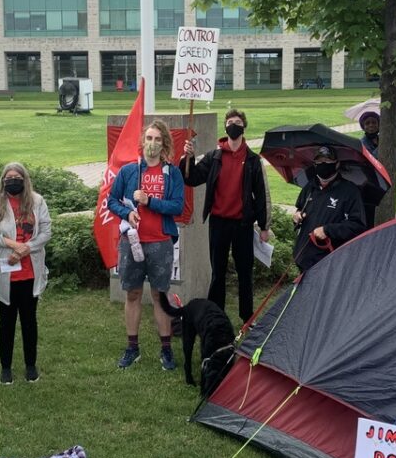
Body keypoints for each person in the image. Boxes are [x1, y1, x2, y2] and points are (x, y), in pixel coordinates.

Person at [107, 119, 184, 370]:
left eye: (157, 139)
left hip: (160, 243)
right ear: (143, 142)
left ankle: (166, 350)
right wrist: (127, 214)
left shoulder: (172, 173)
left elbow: (177, 206)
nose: (152, 143)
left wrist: (150, 201)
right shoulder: (129, 172)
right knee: (133, 293)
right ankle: (132, 348)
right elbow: (112, 201)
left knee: (159, 295)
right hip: (132, 242)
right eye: (149, 138)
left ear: (164, 145)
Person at [181, 108, 270, 323]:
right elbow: (191, 179)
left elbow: (261, 193)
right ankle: (215, 315)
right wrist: (188, 158)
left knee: (244, 272)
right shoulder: (214, 157)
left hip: (243, 224)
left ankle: (247, 316)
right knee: (217, 272)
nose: (233, 124)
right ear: (225, 127)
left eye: (237, 121)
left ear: (243, 126)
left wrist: (264, 225)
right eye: (230, 121)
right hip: (219, 223)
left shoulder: (252, 160)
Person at [0, 163, 52, 385]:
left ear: (24, 179)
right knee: (7, 321)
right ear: (3, 180)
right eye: (8, 177)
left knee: (29, 321)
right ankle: (6, 368)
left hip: (30, 272)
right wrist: (13, 245)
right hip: (5, 271)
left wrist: (25, 250)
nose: (12, 180)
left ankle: (31, 365)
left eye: (17, 177)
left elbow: (45, 232)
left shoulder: (37, 201)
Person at [292, 146, 368, 271]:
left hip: (330, 261)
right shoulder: (310, 186)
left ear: (337, 164)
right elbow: (300, 209)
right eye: (319, 162)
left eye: (327, 162)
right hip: (304, 256)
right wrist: (297, 216)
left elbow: (357, 226)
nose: (323, 165)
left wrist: (328, 230)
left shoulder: (349, 191)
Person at [358, 110, 396, 230]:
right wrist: (381, 145)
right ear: (363, 127)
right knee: (370, 216)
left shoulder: (385, 141)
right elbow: (371, 159)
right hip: (369, 185)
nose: (371, 125)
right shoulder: (362, 144)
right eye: (367, 123)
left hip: (385, 183)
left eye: (374, 122)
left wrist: (394, 167)